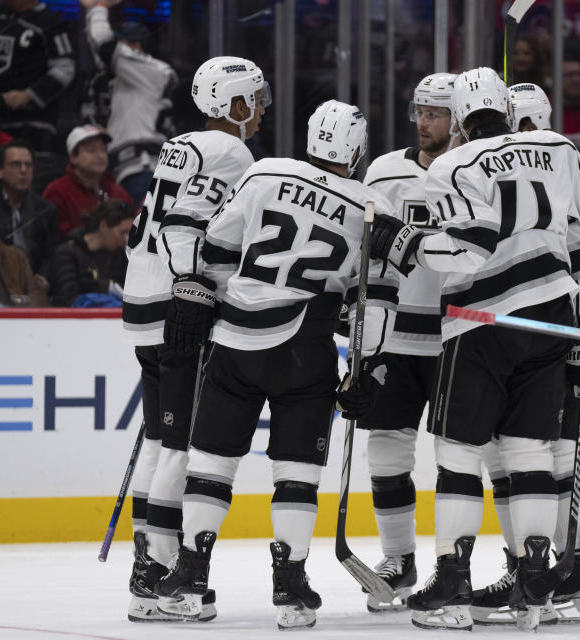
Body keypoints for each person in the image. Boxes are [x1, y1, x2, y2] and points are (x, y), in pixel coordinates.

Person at [368, 66, 580, 631]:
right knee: (530, 451)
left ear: (463, 119)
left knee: (459, 452)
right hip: (552, 318)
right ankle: (535, 578)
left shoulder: (452, 164)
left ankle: (451, 581)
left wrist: (407, 243)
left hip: (483, 319)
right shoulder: (558, 147)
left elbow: (468, 250)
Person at [155, 99, 400, 631]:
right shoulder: (373, 207)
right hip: (306, 350)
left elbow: (217, 248)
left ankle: (192, 578)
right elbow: (373, 302)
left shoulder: (265, 172)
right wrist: (367, 367)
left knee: (212, 464)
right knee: (297, 472)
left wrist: (200, 294)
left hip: (237, 339)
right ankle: (290, 587)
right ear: (356, 151)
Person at [120, 56, 268, 624]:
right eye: (254, 99)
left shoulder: (179, 144)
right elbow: (190, 222)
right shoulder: (232, 153)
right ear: (234, 104)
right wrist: (192, 286)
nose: (260, 111)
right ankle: (160, 577)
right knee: (180, 447)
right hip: (183, 309)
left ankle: (145, 574)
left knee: (160, 441)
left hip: (144, 300)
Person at [466, 81, 580, 627]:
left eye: (531, 126)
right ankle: (546, 572)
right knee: (513, 457)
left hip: (559, 337)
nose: (525, 137)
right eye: (519, 126)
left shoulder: (556, 174)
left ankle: (566, 571)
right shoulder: (550, 171)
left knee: (542, 458)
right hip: (542, 333)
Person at [357, 71, 457, 612]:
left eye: (435, 112)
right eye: (418, 110)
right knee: (387, 452)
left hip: (454, 338)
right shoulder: (384, 171)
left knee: (457, 458)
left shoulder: (471, 171)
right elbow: (365, 251)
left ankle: (451, 565)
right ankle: (398, 559)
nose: (422, 122)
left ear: (459, 118)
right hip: (395, 337)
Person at [82, 0, 177, 207]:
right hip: (128, 169)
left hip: (142, 170)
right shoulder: (137, 77)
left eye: (121, 44)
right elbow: (101, 50)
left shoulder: (153, 71)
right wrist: (92, 11)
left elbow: (103, 43)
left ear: (136, 47)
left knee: (139, 235)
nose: (117, 51)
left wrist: (100, 8)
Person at [0, 0, 75, 156]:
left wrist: (30, 95)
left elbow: (65, 69)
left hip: (33, 120)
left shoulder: (51, 21)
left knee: (29, 170)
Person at [0, 139, 58, 277]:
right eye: (16, 164)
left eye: (28, 165)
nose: (23, 170)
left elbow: (49, 255)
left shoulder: (45, 209)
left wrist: (42, 279)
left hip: (33, 282)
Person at [42, 124, 133, 237]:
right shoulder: (57, 191)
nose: (100, 156)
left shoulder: (118, 192)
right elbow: (55, 237)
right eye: (92, 150)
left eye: (104, 150)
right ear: (73, 157)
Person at [47, 198, 133, 307]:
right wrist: (102, 287)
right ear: (103, 225)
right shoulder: (66, 253)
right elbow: (67, 297)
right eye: (122, 232)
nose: (126, 239)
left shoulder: (120, 256)